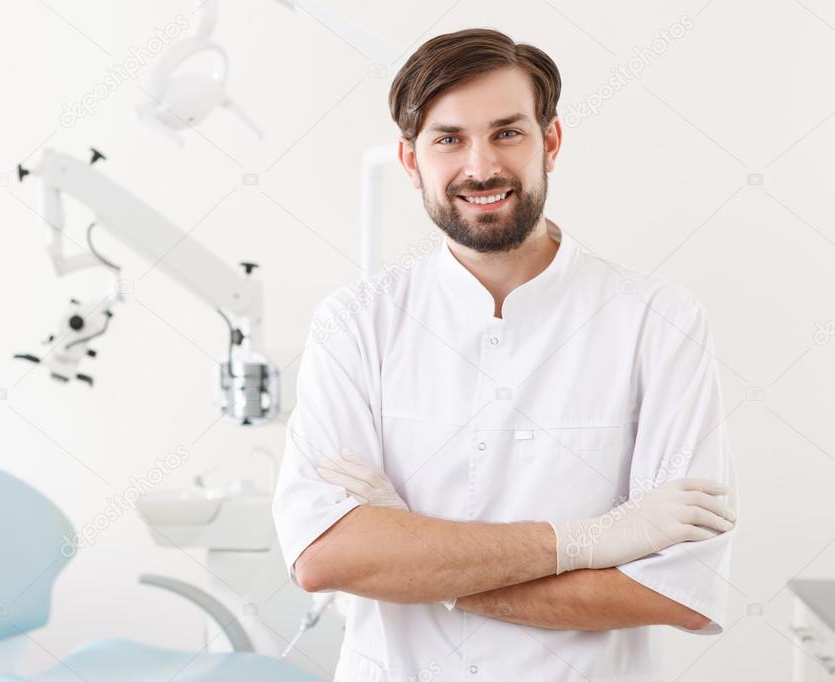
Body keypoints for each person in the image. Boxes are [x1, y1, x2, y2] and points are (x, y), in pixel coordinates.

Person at [272, 27, 738, 681]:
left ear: (549, 141)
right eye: (448, 139)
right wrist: (586, 542)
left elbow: (673, 592)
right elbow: (325, 558)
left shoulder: (658, 322)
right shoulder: (356, 322)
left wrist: (418, 562)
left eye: (506, 132)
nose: (480, 166)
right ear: (411, 162)